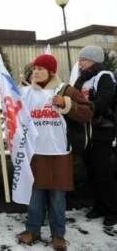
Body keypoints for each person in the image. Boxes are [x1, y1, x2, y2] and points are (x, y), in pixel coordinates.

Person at [17, 54, 93, 251]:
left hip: (59, 153)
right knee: (35, 194)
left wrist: (67, 104)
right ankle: (32, 229)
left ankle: (58, 234)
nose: (36, 72)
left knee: (57, 196)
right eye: (34, 69)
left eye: (40, 69)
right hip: (36, 152)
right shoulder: (26, 92)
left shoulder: (65, 90)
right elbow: (14, 112)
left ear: (51, 72)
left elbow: (88, 112)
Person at [73, 45, 117, 226]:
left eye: (83, 60)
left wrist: (83, 109)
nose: (80, 63)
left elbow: (104, 100)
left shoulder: (104, 76)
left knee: (103, 170)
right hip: (86, 131)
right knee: (90, 169)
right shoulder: (81, 79)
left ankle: (112, 209)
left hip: (101, 130)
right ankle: (98, 205)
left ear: (93, 60)